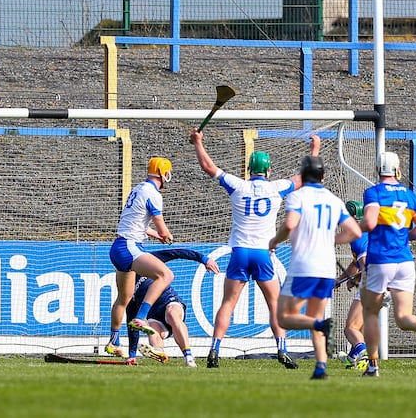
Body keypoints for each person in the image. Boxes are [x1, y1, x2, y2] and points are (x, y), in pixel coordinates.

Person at [190, 128, 320, 369]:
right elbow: (306, 178)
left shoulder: (237, 186)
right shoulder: (276, 187)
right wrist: (314, 149)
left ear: (249, 169)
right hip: (262, 253)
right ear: (268, 170)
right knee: (275, 303)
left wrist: (198, 142)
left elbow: (209, 168)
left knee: (228, 303)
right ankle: (282, 349)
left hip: (239, 252)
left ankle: (214, 349)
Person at [269, 156, 362, 380]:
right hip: (326, 268)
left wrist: (275, 240)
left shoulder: (297, 196)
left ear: (303, 175)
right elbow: (354, 232)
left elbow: (290, 224)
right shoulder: (334, 200)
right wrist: (330, 239)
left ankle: (320, 325)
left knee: (284, 317)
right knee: (316, 314)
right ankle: (321, 367)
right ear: (324, 176)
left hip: (304, 266)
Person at [359, 152, 416, 377]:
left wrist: (353, 226)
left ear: (378, 169)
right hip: (405, 262)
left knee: (370, 313)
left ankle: (373, 366)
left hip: (380, 260)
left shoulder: (373, 192)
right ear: (397, 170)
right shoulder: (410, 195)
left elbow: (369, 222)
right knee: (404, 317)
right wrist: (405, 237)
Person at [105, 157, 176, 358]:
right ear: (164, 174)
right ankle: (142, 317)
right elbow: (161, 226)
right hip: (129, 247)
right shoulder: (153, 194)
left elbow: (138, 224)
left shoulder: (138, 188)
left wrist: (156, 235)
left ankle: (113, 341)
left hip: (118, 247)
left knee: (124, 298)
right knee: (165, 275)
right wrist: (166, 235)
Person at [125, 247, 220, 367]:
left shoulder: (147, 260)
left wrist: (204, 259)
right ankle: (159, 352)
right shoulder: (127, 289)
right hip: (154, 316)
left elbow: (176, 253)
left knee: (172, 314)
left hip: (169, 302)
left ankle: (189, 357)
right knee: (152, 330)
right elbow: (132, 322)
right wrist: (132, 355)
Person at [335, 200, 369, 370]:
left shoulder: (357, 236)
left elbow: (365, 264)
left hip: (371, 285)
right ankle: (352, 359)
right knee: (359, 328)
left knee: (350, 329)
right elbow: (356, 264)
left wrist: (357, 279)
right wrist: (342, 279)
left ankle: (365, 355)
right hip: (385, 283)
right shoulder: (367, 231)